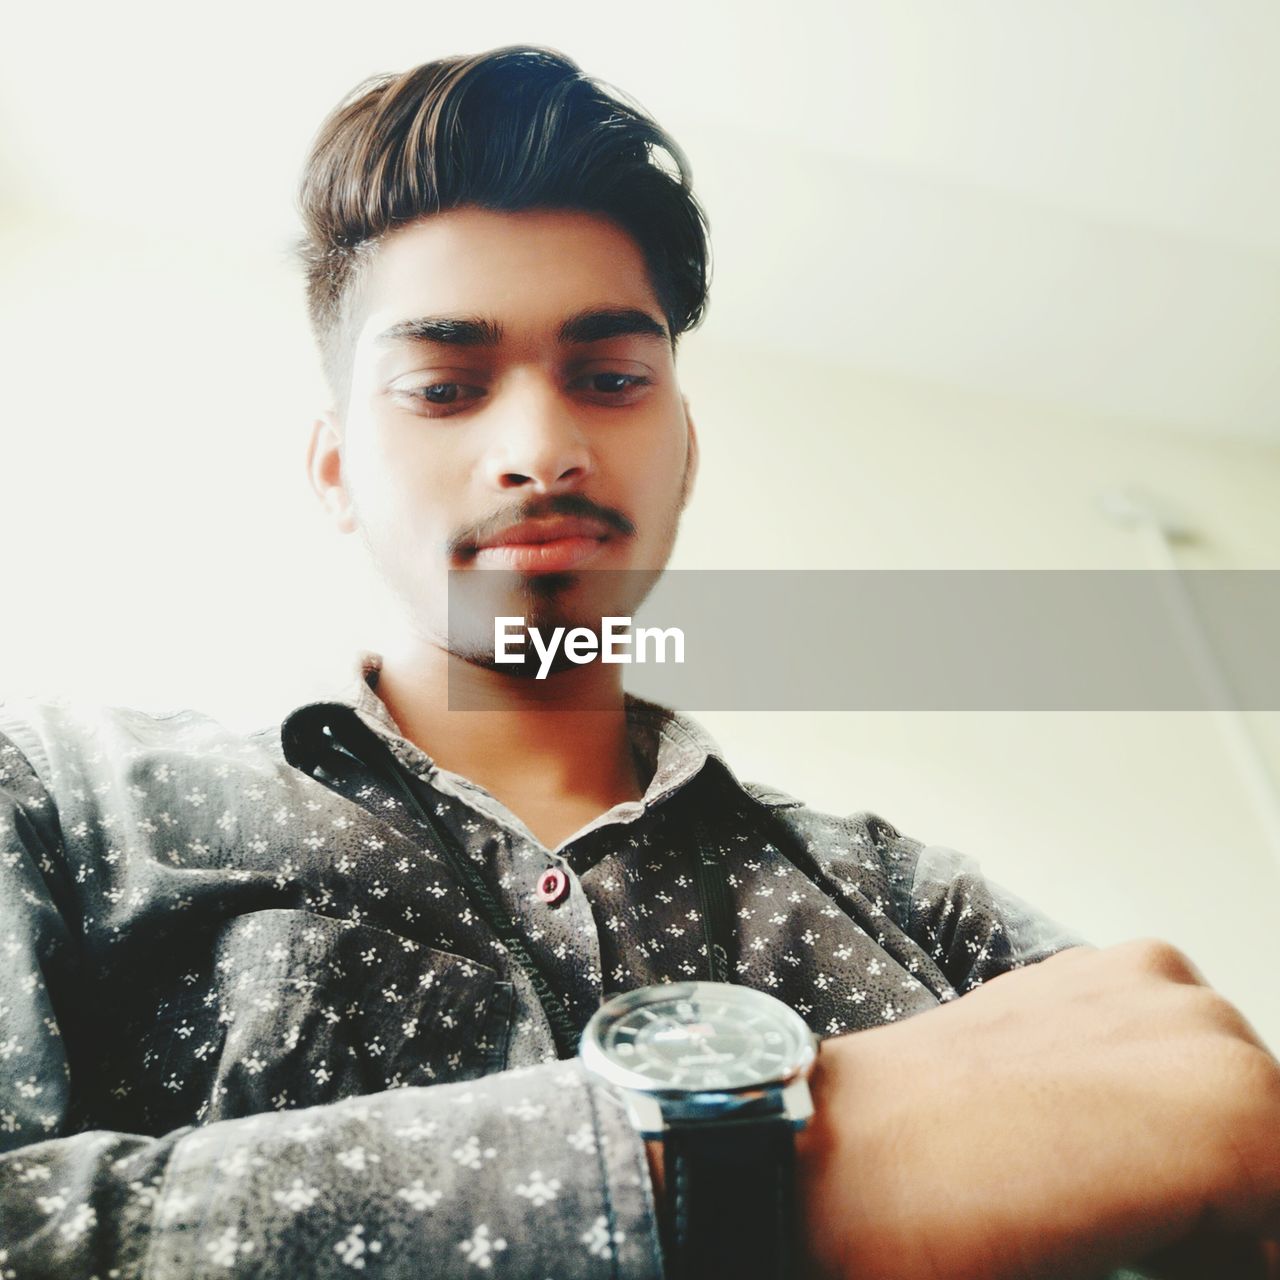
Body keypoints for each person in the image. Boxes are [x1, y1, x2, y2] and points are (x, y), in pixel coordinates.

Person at [0, 44, 1276, 1280]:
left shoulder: (919, 904)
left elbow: (1193, 1128)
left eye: (609, 376)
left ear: (683, 447)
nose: (540, 446)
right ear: (336, 469)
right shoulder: (63, 807)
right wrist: (778, 1162)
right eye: (445, 387)